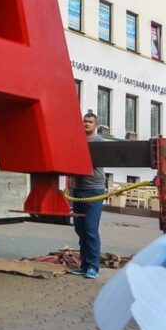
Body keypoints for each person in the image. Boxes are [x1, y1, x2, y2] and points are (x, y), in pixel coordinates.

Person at [70, 110, 105, 279]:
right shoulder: (78, 140)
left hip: (94, 190)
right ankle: (84, 265)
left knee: (91, 229)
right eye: (84, 121)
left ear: (95, 124)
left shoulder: (98, 141)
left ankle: (93, 266)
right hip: (78, 190)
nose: (86, 124)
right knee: (80, 229)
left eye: (89, 122)